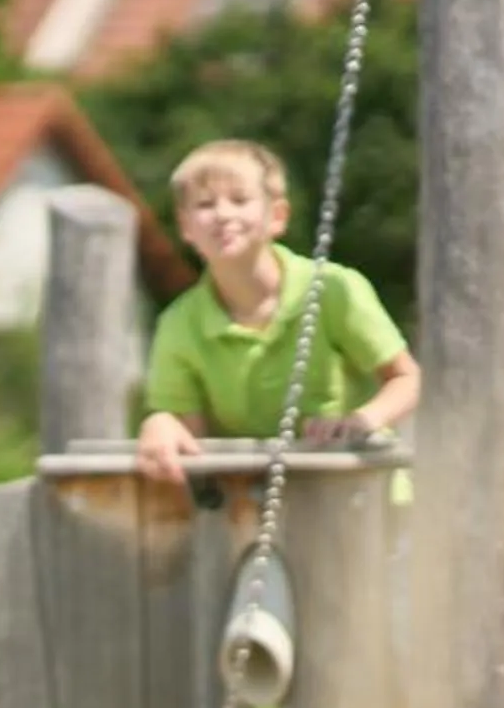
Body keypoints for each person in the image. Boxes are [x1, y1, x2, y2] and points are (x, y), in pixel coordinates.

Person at [134, 139, 420, 488]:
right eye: (205, 204)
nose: (223, 214)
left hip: (363, 493)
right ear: (185, 226)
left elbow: (407, 379)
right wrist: (161, 424)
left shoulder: (333, 289)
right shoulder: (179, 324)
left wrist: (362, 420)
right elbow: (190, 440)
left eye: (240, 200)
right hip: (258, 503)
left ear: (278, 216)